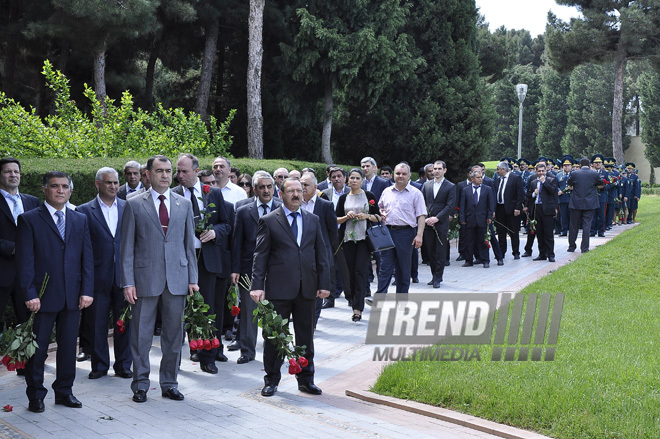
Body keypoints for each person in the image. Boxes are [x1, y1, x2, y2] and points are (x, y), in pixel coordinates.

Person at [120, 155, 199, 403]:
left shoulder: (183, 204)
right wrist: (128, 282)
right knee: (141, 336)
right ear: (148, 174)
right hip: (145, 279)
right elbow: (126, 248)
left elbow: (189, 246)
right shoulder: (133, 204)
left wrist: (192, 278)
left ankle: (169, 383)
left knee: (174, 337)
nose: (165, 175)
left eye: (168, 171)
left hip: (177, 278)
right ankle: (141, 385)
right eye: (159, 171)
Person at [16, 171, 94, 413]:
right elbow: (25, 261)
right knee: (37, 350)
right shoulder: (29, 219)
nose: (60, 190)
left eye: (64, 186)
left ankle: (64, 391)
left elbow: (87, 258)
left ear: (70, 190)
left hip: (73, 296)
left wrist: (87, 290)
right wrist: (29, 293)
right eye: (54, 186)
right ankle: (36, 395)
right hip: (41, 297)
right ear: (44, 189)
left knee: (69, 347)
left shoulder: (79, 219)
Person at [250, 178, 331, 397]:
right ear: (281, 193)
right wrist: (257, 286)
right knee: (275, 336)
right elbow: (260, 256)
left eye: (299, 190)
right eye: (291, 191)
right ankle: (271, 380)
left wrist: (325, 284)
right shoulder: (269, 220)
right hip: (279, 289)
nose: (296, 194)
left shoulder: (313, 220)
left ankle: (306, 380)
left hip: (307, 289)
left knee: (306, 336)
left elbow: (321, 254)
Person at [172, 154, 231, 374]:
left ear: (196, 171)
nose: (179, 176)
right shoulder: (172, 195)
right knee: (181, 308)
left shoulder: (212, 193)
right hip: (180, 261)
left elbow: (226, 223)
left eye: (184, 171)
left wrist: (216, 232)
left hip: (207, 261)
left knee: (209, 309)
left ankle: (209, 356)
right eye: (177, 171)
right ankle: (184, 352)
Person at [76, 167, 132, 380]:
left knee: (123, 324)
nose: (113, 186)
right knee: (97, 324)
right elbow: (82, 247)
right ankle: (99, 366)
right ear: (97, 184)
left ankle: (123, 365)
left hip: (123, 277)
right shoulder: (83, 211)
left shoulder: (128, 208)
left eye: (116, 182)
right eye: (109, 182)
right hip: (97, 278)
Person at [231, 171, 281, 364]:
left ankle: (275, 350)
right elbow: (237, 242)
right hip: (248, 270)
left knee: (274, 311)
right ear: (255, 189)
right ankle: (247, 351)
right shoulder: (243, 210)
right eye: (262, 187)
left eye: (269, 186)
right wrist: (235, 269)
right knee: (249, 312)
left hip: (276, 269)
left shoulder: (281, 207)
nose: (266, 190)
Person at [368, 163, 426, 303]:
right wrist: (381, 213)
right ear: (394, 175)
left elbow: (421, 216)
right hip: (388, 232)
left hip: (406, 234)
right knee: (384, 266)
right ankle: (379, 297)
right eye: (398, 173)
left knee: (403, 268)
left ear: (409, 176)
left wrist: (419, 235)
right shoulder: (387, 191)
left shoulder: (415, 193)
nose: (400, 176)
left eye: (403, 174)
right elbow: (380, 208)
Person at [0, 157, 39, 331]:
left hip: (28, 274)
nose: (13, 175)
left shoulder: (33, 202)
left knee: (30, 322)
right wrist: (14, 248)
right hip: (2, 270)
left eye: (16, 172)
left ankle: (33, 359)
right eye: (8, 171)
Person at [336, 169, 380, 319]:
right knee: (350, 272)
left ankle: (357, 309)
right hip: (348, 239)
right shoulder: (343, 198)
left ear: (362, 180)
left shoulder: (369, 196)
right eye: (352, 178)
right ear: (348, 180)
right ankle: (353, 299)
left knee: (360, 272)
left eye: (357, 178)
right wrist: (346, 217)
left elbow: (379, 217)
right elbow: (335, 219)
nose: (354, 180)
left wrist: (366, 216)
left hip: (364, 239)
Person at [300, 173, 337, 323]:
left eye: (306, 185)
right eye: (301, 184)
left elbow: (332, 231)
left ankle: (312, 321)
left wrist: (323, 246)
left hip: (319, 252)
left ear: (315, 187)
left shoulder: (325, 205)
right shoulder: (295, 204)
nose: (302, 188)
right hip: (301, 252)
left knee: (317, 286)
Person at [422, 161, 455, 288]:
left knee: (440, 250)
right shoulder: (427, 185)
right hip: (427, 222)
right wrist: (425, 217)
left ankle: (438, 277)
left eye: (439, 169)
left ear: (444, 170)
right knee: (430, 250)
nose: (436, 171)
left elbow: (450, 205)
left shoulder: (450, 186)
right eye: (434, 169)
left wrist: (437, 218)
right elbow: (422, 202)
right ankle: (433, 275)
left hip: (441, 223)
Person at [459, 168, 494, 268]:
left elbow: (490, 205)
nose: (480, 179)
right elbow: (462, 205)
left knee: (483, 240)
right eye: (477, 177)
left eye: (481, 177)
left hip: (482, 219)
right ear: (472, 178)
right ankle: (469, 260)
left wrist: (489, 216)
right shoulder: (465, 190)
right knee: (469, 240)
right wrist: (462, 218)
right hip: (470, 219)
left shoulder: (487, 189)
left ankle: (485, 260)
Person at [566, 157, 603, 253]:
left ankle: (571, 246)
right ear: (590, 165)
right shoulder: (594, 174)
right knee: (587, 225)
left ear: (580, 165)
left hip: (576, 203)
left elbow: (569, 182)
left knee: (573, 226)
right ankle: (584, 248)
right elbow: (600, 182)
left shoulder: (574, 173)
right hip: (590, 203)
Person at [524, 163, 558, 262]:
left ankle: (551, 254)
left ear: (546, 171)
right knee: (539, 233)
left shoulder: (552, 180)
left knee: (548, 233)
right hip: (536, 209)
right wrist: (534, 194)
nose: (541, 173)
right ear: (536, 172)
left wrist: (544, 182)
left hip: (547, 209)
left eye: (543, 171)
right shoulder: (533, 182)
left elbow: (552, 192)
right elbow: (529, 195)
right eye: (539, 171)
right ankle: (542, 253)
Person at [493, 161, 524, 259]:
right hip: (500, 209)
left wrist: (518, 208)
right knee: (501, 232)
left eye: (498, 169)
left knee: (513, 231)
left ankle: (516, 252)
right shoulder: (496, 181)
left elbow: (520, 194)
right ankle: (501, 252)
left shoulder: (515, 178)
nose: (497, 171)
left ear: (503, 169)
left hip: (512, 209)